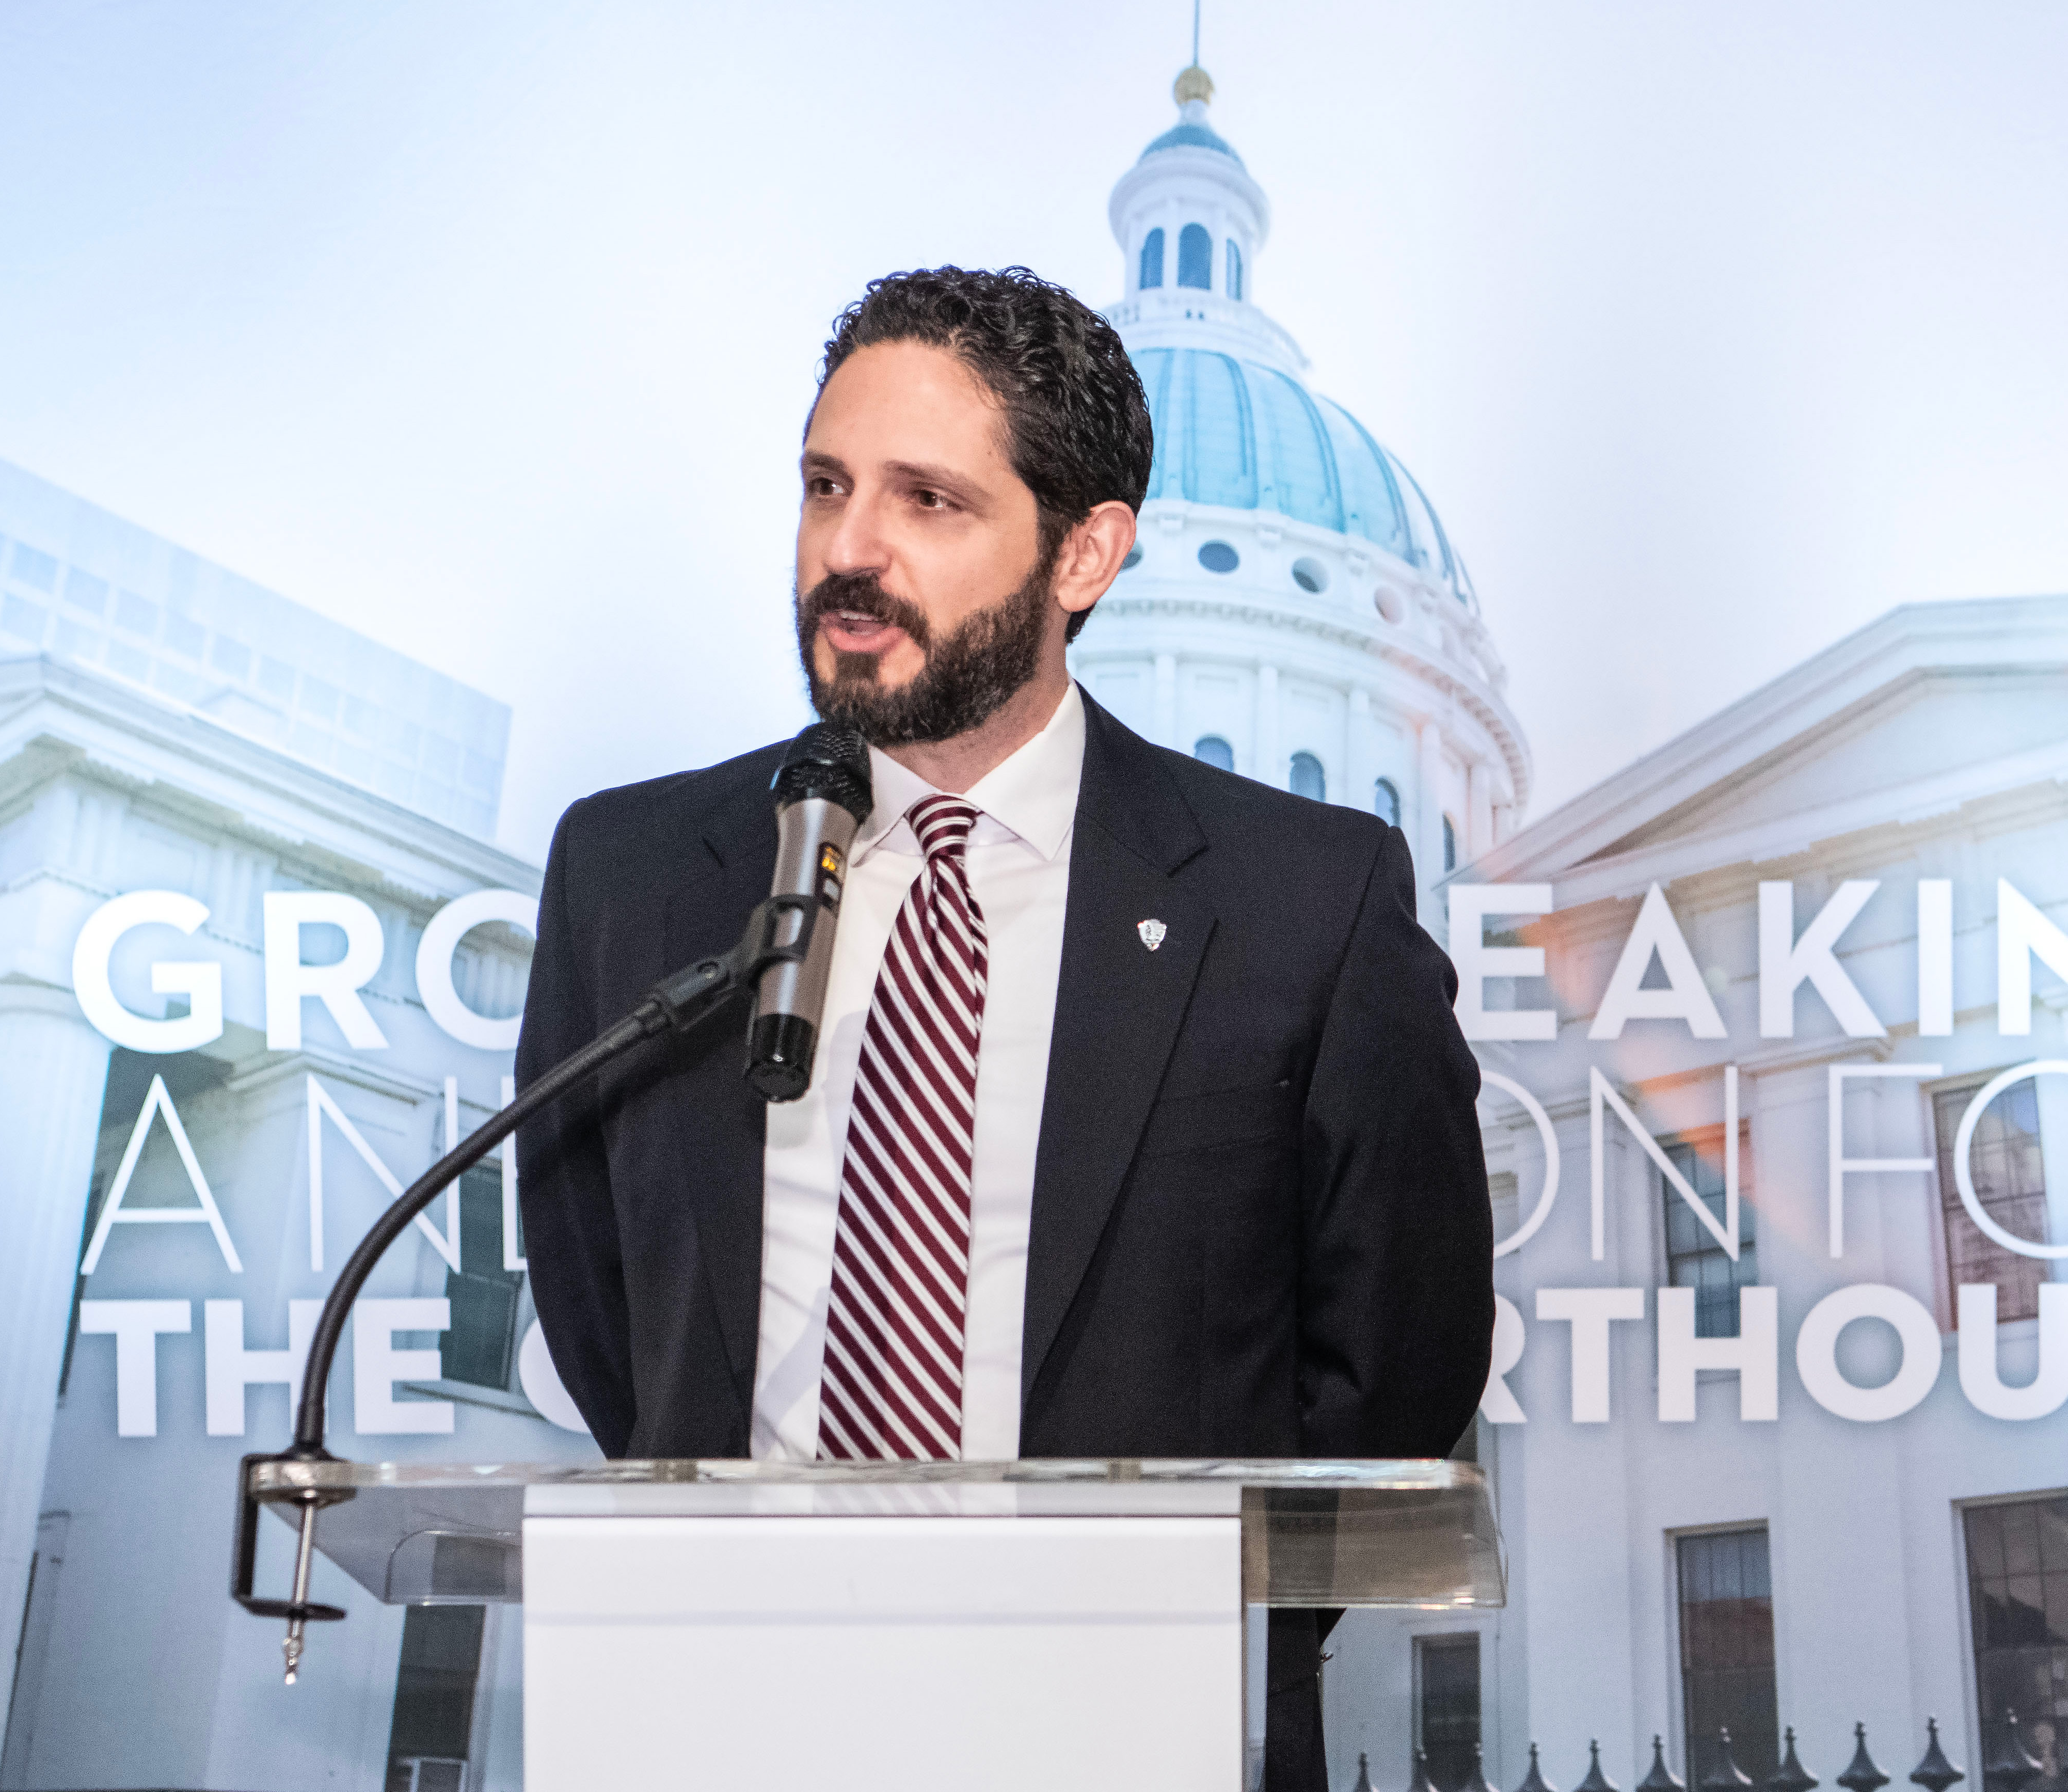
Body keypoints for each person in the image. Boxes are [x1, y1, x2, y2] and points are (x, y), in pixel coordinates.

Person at [516, 265, 1491, 1785]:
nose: (850, 550)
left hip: (1133, 1726)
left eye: (929, 500)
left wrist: (1202, 1633)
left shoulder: (1309, 901)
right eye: (827, 485)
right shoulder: (634, 875)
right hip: (719, 1718)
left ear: (1083, 553)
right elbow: (600, 1301)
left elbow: (1399, 1358)